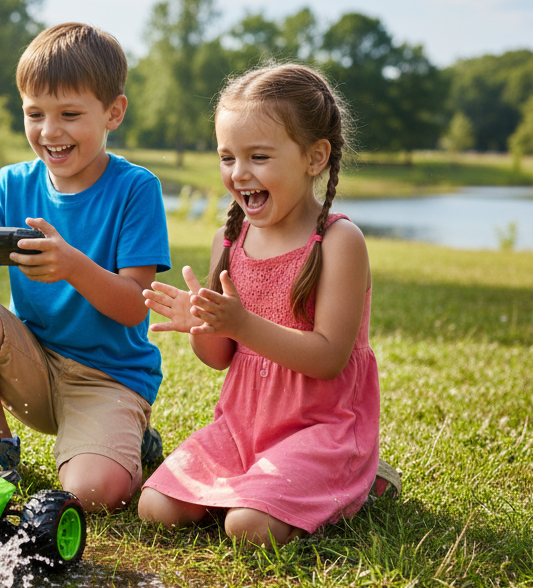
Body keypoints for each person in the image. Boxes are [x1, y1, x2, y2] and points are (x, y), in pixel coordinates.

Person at [139, 62, 398, 547]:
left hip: (320, 430)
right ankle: (264, 482)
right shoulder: (229, 238)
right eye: (227, 157)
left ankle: (358, 477)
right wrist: (204, 325)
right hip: (242, 427)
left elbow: (328, 358)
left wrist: (242, 323)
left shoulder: (338, 241)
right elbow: (219, 358)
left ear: (315, 157)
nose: (239, 174)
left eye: (258, 156)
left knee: (247, 526)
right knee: (155, 508)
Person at [0, 23, 170, 512]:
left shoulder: (136, 189)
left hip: (107, 379)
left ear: (113, 113)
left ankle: (130, 438)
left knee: (92, 494)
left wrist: (72, 265)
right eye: (34, 114)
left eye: (70, 114)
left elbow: (132, 308)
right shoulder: (13, 183)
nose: (49, 131)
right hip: (31, 366)